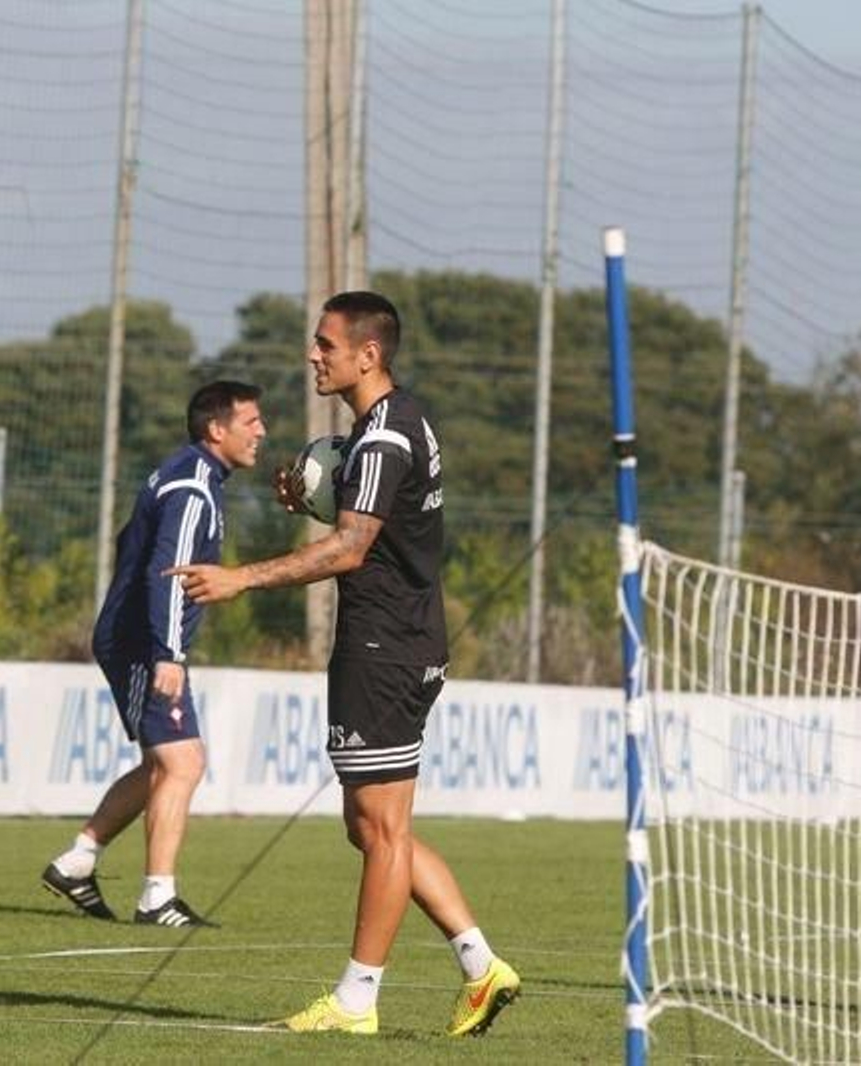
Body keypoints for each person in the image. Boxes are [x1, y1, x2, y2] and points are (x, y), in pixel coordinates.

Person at [169, 292, 521, 1037]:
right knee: (370, 827)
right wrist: (319, 506)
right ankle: (480, 965)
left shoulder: (386, 434)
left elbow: (352, 549)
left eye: (326, 344)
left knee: (382, 829)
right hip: (400, 638)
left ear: (369, 354)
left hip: (384, 645)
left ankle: (357, 1000)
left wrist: (239, 577)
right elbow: (373, 530)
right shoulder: (391, 426)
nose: (313, 354)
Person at [41, 381, 266, 927]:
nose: (261, 432)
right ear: (217, 429)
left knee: (161, 765)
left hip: (139, 638)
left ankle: (76, 862)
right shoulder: (192, 487)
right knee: (184, 762)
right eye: (251, 421)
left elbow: (130, 542)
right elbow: (167, 575)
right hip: (145, 644)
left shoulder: (188, 474)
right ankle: (157, 898)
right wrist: (168, 651)